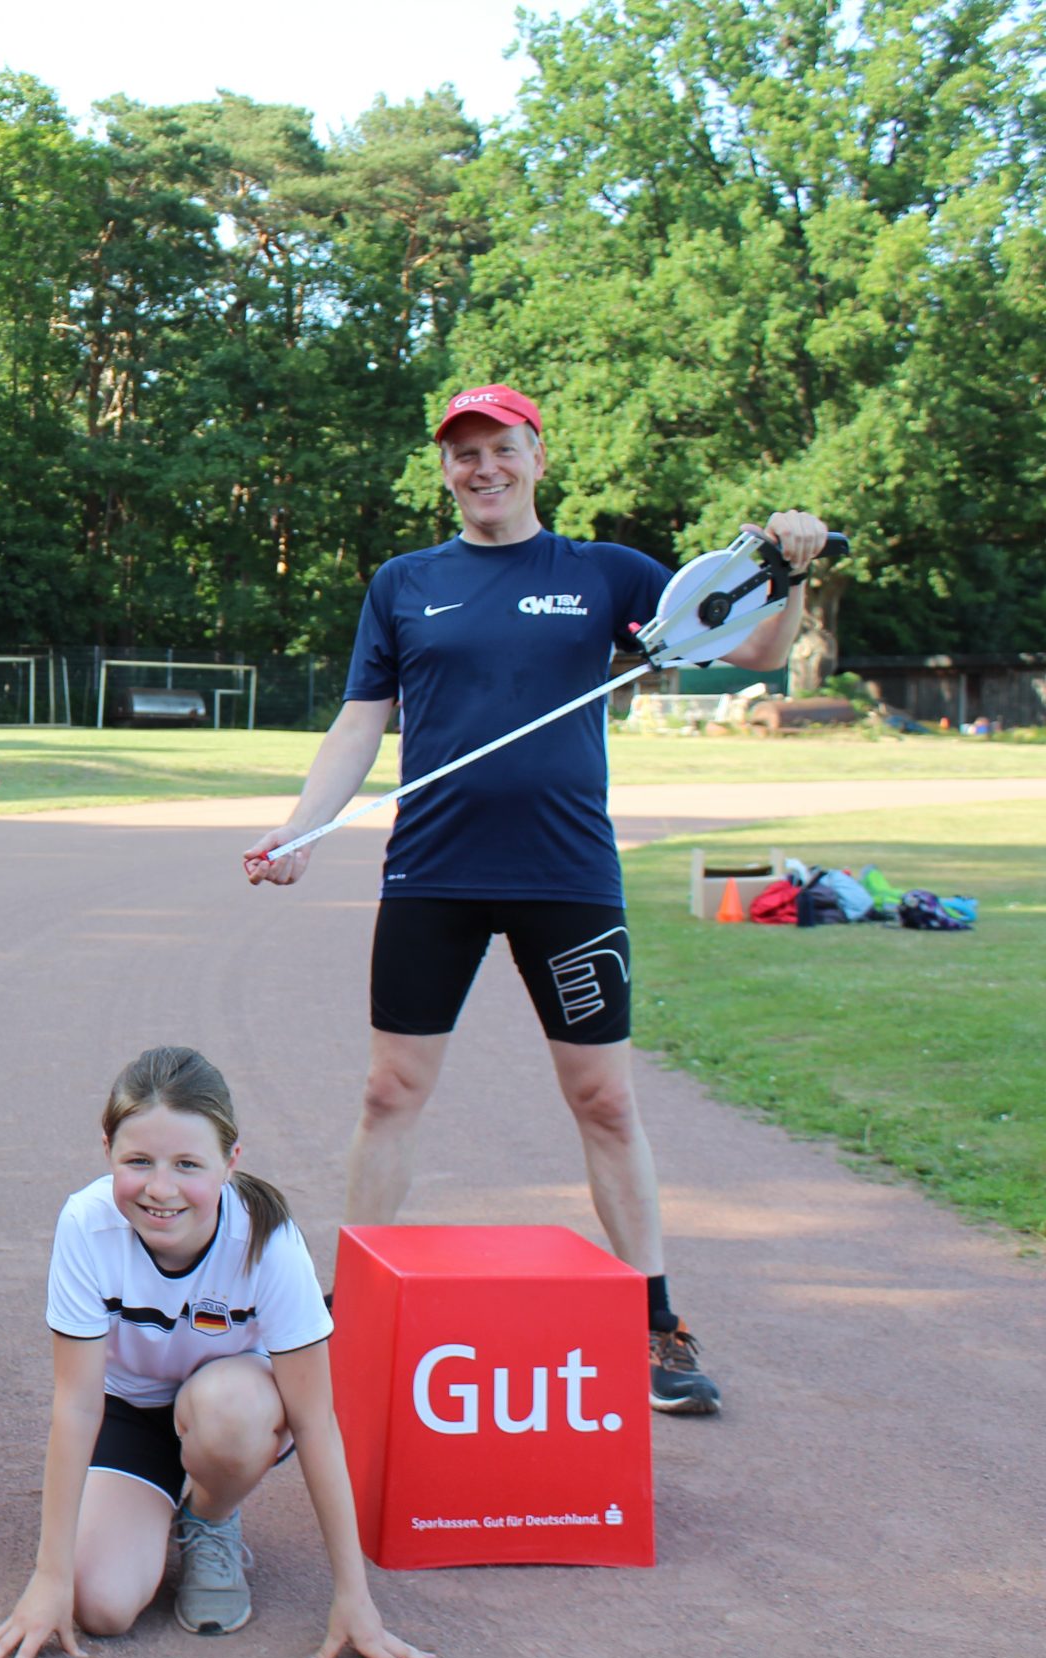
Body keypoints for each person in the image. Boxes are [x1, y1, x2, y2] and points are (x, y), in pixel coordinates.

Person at [242, 383, 831, 1415]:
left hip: (566, 877)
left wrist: (786, 571)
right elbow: (358, 722)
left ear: (535, 457)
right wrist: (303, 825)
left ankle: (653, 1322)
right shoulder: (403, 582)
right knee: (389, 1094)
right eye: (462, 453)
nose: (483, 468)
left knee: (603, 1100)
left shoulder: (602, 573)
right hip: (433, 872)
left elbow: (750, 651)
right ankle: (349, 1311)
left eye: (500, 448)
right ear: (444, 470)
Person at [0, 1048, 441, 1658]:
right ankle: (149, 1504)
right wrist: (48, 1578)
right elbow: (78, 1404)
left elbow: (315, 1420)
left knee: (231, 1411)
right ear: (107, 1148)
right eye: (138, 1162)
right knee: (102, 1607)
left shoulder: (268, 1242)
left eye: (188, 1165)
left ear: (231, 1161)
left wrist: (354, 1596)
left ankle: (211, 1515)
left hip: (231, 1410)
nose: (160, 1189)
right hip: (129, 1416)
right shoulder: (87, 1224)